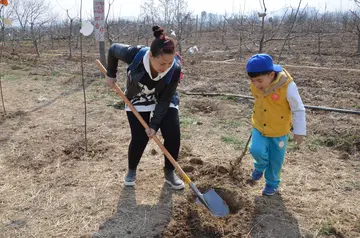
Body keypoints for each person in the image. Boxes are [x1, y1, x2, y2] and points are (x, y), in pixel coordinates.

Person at [105, 26, 184, 190]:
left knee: (172, 132)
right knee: (140, 137)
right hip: (139, 95)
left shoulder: (174, 68)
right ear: (151, 56)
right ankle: (132, 170)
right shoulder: (135, 54)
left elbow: (165, 99)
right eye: (162, 63)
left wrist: (154, 125)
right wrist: (110, 74)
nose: (165, 67)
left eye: (169, 63)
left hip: (162, 97)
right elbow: (113, 50)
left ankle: (169, 172)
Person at [245, 53, 306, 196]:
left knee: (275, 161)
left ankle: (272, 184)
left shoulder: (288, 86)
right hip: (259, 127)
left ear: (271, 75)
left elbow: (298, 108)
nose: (256, 85)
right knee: (256, 150)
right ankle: (260, 166)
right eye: (252, 81)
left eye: (259, 81)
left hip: (279, 131)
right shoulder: (256, 85)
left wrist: (299, 131)